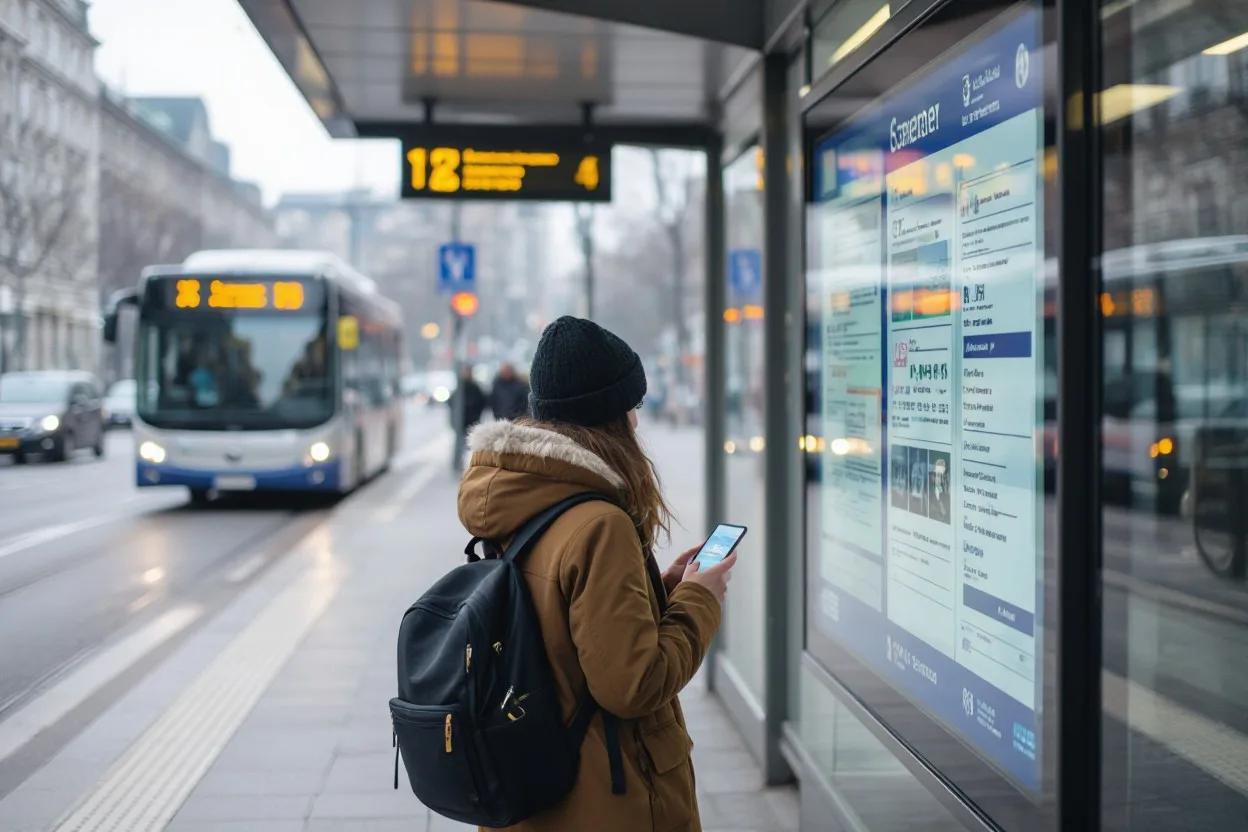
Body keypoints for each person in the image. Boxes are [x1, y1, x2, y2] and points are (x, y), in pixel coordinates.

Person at [458, 317, 735, 832]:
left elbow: (561, 633)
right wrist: (701, 601)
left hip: (534, 784)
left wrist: (664, 593)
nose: (635, 423)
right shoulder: (599, 524)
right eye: (630, 408)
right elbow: (632, 685)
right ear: (608, 418)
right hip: (603, 797)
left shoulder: (520, 498)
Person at [448, 364, 487, 472]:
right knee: (461, 446)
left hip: (471, 422)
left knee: (470, 446)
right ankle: (459, 465)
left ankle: (469, 466)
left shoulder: (474, 388)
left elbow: (482, 402)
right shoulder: (459, 388)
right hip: (463, 423)